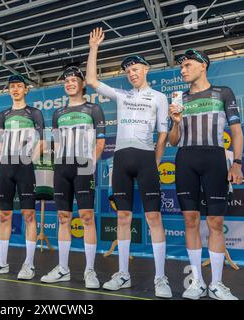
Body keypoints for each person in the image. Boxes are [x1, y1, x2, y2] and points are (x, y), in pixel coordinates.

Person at [86, 27, 172, 298]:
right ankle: (122, 273)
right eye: (128, 71)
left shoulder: (159, 97)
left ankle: (161, 278)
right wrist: (94, 48)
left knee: (153, 217)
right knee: (123, 217)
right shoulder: (122, 95)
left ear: (146, 69)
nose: (132, 73)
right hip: (121, 159)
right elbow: (91, 81)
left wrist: (156, 162)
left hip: (147, 159)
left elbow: (163, 134)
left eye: (135, 69)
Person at [169, 49, 243, 300]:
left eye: (187, 65)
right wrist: (176, 122)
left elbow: (237, 132)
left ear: (203, 66)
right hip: (185, 158)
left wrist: (237, 163)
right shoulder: (180, 98)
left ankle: (218, 284)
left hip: (214, 158)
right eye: (181, 67)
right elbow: (172, 141)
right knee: (190, 220)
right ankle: (197, 282)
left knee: (215, 223)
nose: (182, 70)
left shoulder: (223, 92)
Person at [40, 66, 105, 289]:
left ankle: (89, 270)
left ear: (82, 84)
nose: (69, 83)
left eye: (74, 80)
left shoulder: (93, 109)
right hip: (62, 166)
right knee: (63, 217)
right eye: (66, 81)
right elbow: (56, 144)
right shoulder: (58, 113)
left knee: (86, 216)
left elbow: (100, 142)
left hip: (84, 164)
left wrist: (92, 163)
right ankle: (63, 268)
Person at [0, 74, 44, 280]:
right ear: (9, 91)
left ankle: (29, 264)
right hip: (5, 167)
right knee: (3, 215)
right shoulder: (3, 115)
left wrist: (29, 160)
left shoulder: (34, 113)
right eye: (12, 87)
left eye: (19, 86)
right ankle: (1, 262)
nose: (15, 89)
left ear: (26, 89)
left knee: (28, 215)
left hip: (25, 167)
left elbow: (42, 142)